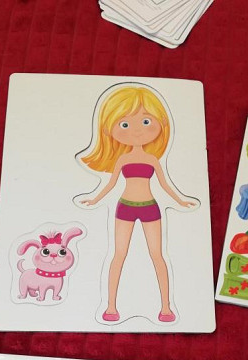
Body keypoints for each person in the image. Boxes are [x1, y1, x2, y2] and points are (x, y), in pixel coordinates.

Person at [79, 85, 196, 322]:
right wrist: (94, 199)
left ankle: (166, 308)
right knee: (119, 254)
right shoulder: (122, 159)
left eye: (145, 121)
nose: (136, 130)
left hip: (150, 207)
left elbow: (165, 184)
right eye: (124, 124)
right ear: (109, 128)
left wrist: (181, 201)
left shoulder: (152, 159)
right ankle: (111, 307)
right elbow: (111, 184)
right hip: (125, 207)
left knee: (157, 255)